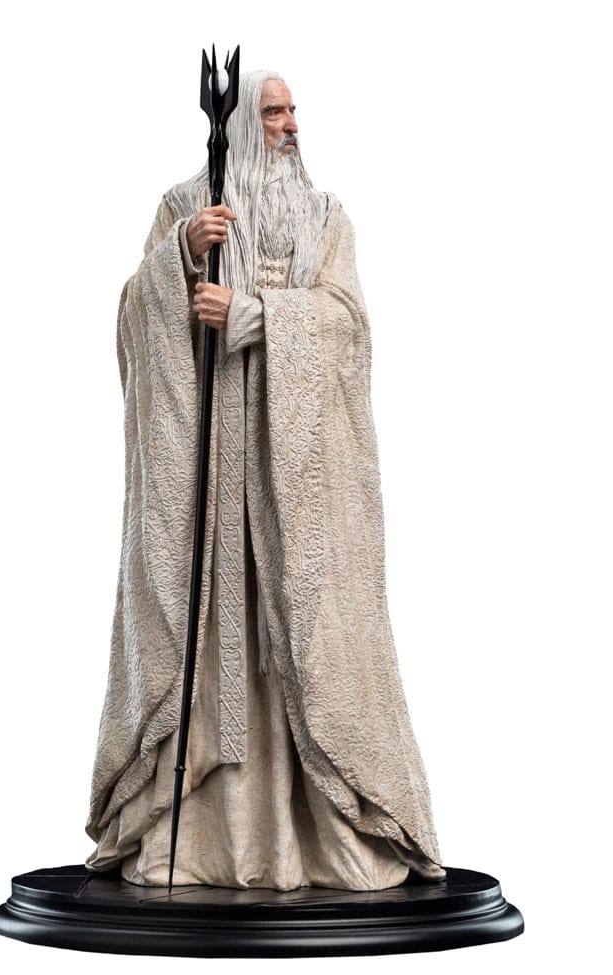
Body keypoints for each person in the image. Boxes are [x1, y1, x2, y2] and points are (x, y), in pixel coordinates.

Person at [84, 70, 445, 891]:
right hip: (210, 468)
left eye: (291, 110)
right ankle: (197, 835)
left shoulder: (326, 218)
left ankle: (325, 831)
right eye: (273, 113)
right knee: (207, 620)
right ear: (240, 126)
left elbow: (349, 328)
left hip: (300, 475)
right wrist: (180, 260)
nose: (290, 126)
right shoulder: (184, 207)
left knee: (310, 627)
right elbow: (133, 320)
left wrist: (260, 319)